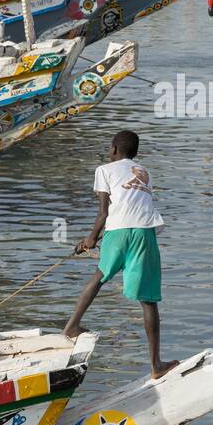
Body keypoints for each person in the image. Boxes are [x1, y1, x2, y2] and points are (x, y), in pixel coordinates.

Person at [63, 130, 178, 379]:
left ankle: (72, 326)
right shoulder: (146, 172)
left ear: (114, 148)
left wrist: (91, 238)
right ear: (135, 153)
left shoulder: (104, 169)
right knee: (148, 299)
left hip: (118, 232)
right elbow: (134, 206)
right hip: (145, 233)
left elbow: (104, 212)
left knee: (100, 277)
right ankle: (156, 365)